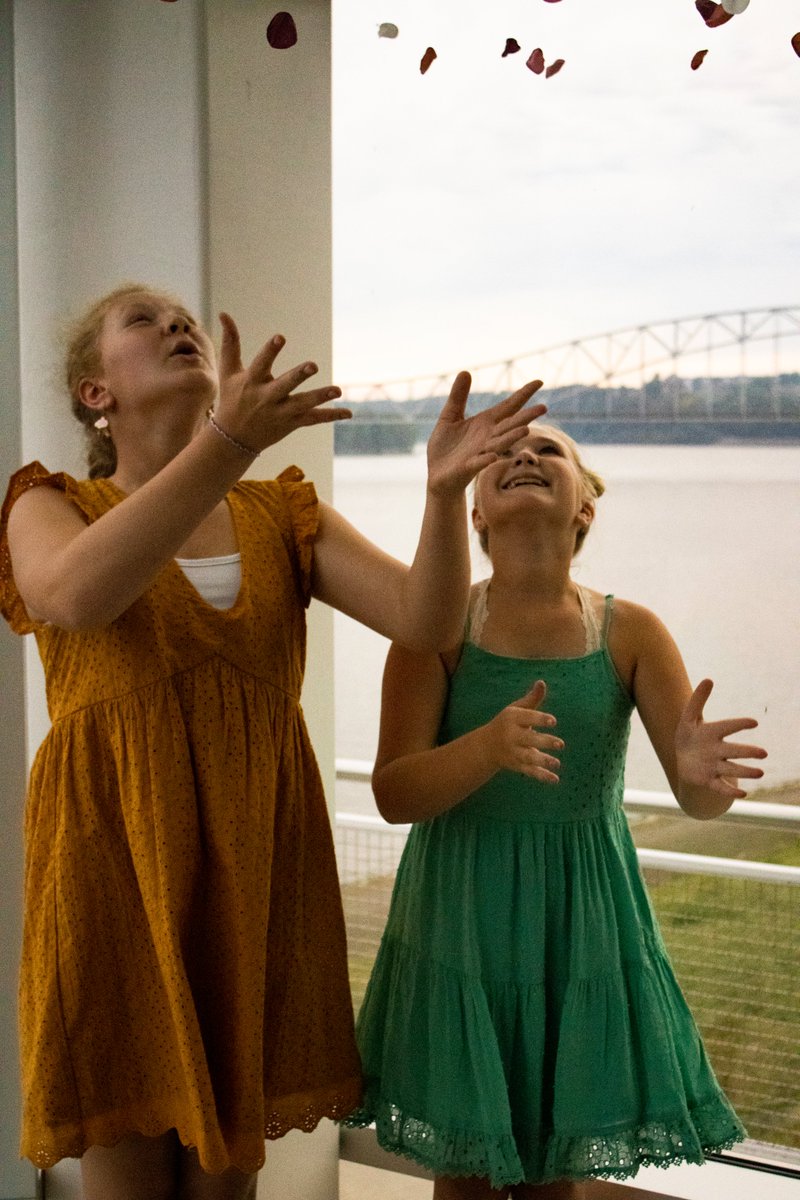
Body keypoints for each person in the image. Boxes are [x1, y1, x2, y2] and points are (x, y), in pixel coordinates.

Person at [0, 282, 548, 1200]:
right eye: (145, 319)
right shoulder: (46, 505)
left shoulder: (279, 517)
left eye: (184, 317)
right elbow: (75, 596)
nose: (177, 324)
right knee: (128, 1168)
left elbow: (427, 618)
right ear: (96, 393)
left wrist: (444, 494)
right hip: (115, 868)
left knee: (229, 1186)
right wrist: (228, 445)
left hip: (254, 867)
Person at [346, 424, 768, 1199]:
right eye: (505, 452)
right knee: (465, 1173)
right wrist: (484, 748)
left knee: (557, 1176)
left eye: (549, 450)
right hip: (462, 924)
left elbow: (697, 800)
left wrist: (705, 773)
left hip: (582, 927)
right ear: (474, 514)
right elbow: (393, 792)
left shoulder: (630, 631)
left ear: (583, 509)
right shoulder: (435, 630)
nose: (524, 455)